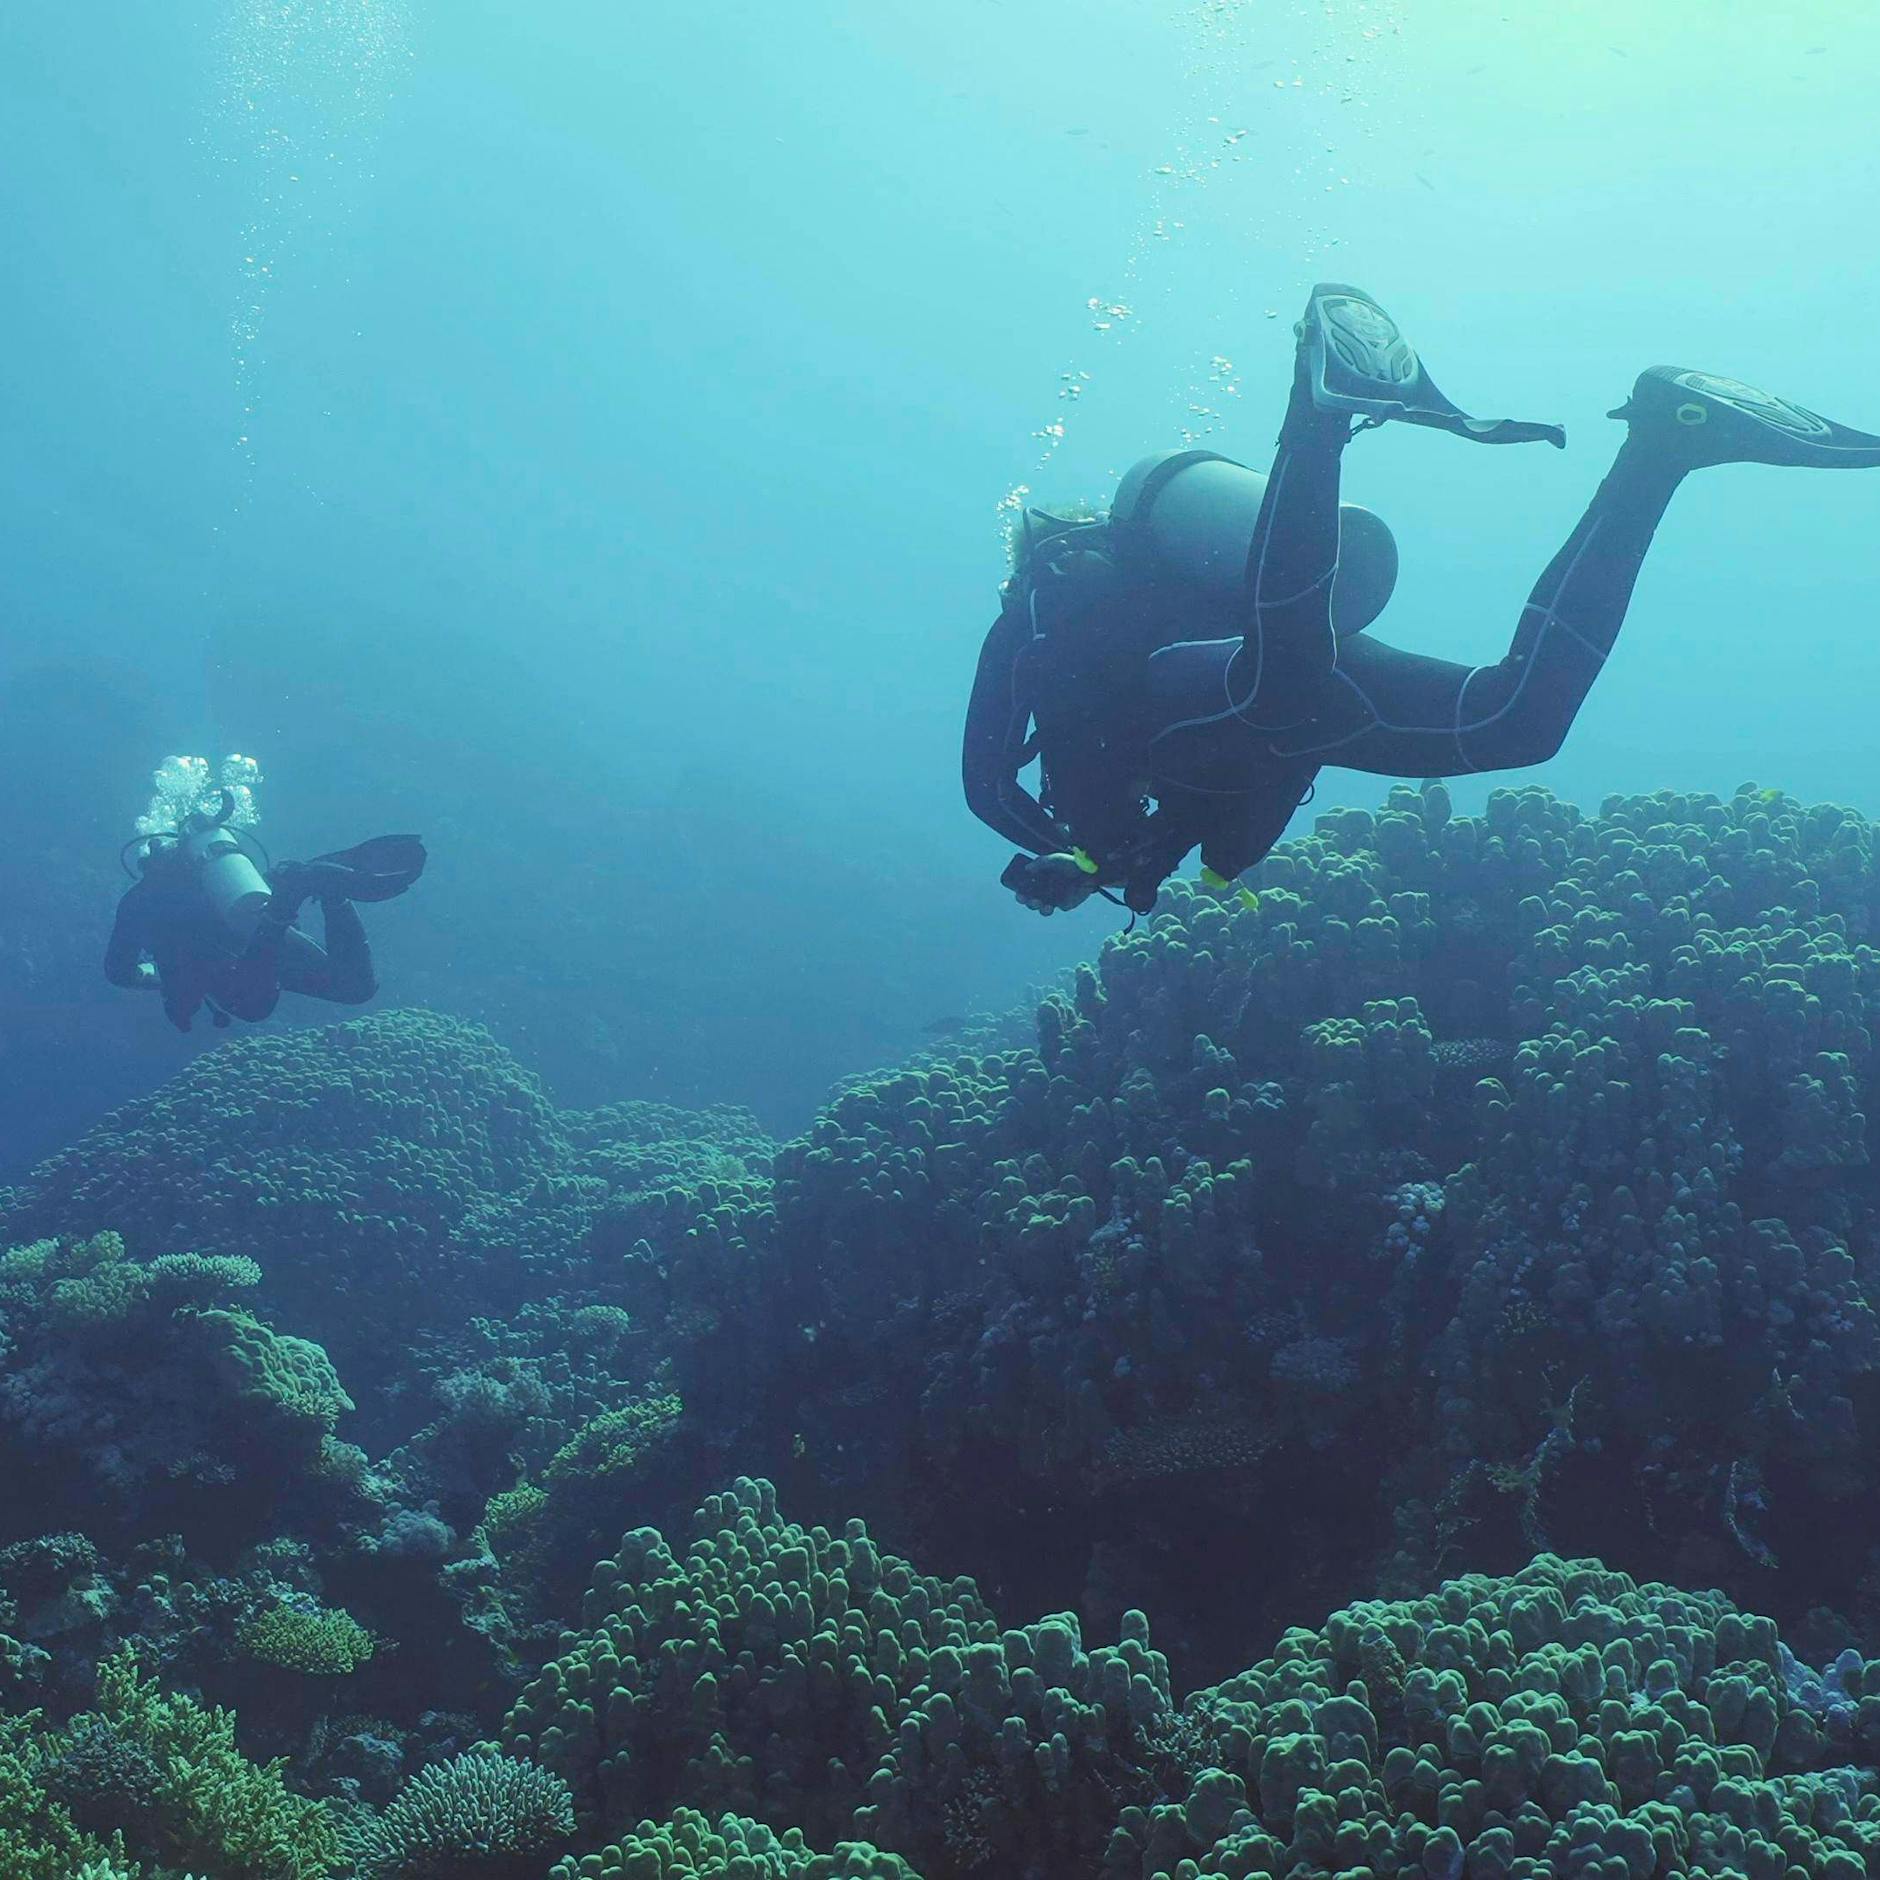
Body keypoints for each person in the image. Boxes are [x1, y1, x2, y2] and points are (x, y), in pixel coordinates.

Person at [965, 282, 1880, 917]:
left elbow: (986, 784)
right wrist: (1153, 860)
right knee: (1518, 724)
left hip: (1240, 675)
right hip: (1288, 669)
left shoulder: (1040, 614)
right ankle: (1670, 441)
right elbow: (1255, 788)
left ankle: (1319, 409)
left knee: (1273, 692)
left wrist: (1067, 851)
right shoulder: (1172, 830)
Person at [107, 812, 426, 1033]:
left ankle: (298, 895)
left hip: (241, 958)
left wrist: (156, 976)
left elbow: (119, 972)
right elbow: (253, 894)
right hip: (257, 925)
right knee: (356, 987)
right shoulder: (213, 875)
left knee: (253, 1007)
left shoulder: (138, 900)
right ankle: (328, 891)